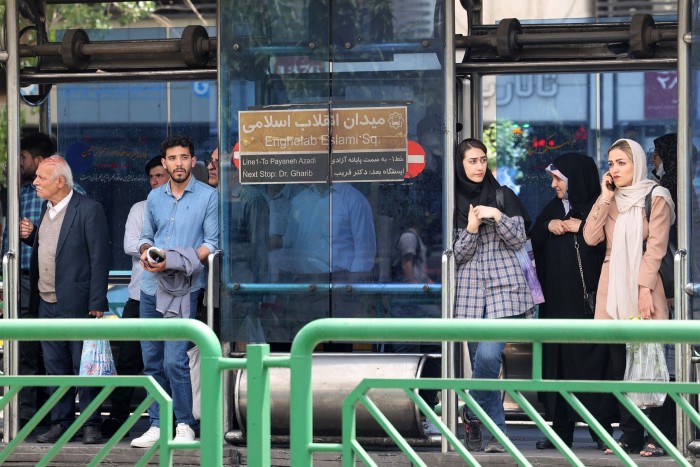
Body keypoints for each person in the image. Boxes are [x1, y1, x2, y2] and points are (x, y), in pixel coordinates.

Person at [583, 138, 675, 456]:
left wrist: (644, 291)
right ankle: (631, 433)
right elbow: (590, 236)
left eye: (621, 162)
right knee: (619, 367)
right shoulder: (612, 199)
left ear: (638, 163)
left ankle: (658, 435)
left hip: (643, 289)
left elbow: (656, 248)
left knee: (649, 362)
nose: (615, 169)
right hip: (613, 293)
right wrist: (605, 197)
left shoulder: (657, 196)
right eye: (610, 164)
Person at [130, 135, 218, 448]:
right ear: (164, 163)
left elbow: (212, 243)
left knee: (174, 361)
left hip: (185, 287)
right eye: (172, 158)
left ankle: (184, 422)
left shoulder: (208, 196)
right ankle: (157, 422)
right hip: (151, 286)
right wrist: (145, 252)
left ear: (192, 161)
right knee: (151, 360)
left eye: (184, 157)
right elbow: (144, 236)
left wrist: (177, 260)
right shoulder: (155, 197)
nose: (178, 163)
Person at [20, 156, 110, 444]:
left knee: (83, 365)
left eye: (41, 178)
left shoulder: (88, 209)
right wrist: (32, 236)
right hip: (46, 302)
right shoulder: (46, 211)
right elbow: (51, 246)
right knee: (54, 365)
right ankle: (61, 422)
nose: (35, 182)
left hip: (79, 303)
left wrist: (97, 302)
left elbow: (99, 258)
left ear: (60, 182)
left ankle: (91, 423)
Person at [453, 138, 534, 453]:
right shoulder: (453, 200)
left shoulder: (503, 195)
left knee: (488, 358)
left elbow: (519, 240)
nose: (478, 166)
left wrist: (497, 216)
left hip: (505, 292)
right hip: (471, 296)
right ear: (460, 165)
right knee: (483, 364)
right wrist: (472, 228)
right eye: (471, 161)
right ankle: (496, 437)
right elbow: (456, 256)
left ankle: (473, 414)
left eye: (482, 160)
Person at [529, 153, 615, 450]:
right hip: (554, 307)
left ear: (574, 180)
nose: (553, 185)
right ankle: (560, 433)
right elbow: (534, 237)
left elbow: (604, 244)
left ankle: (602, 433)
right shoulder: (553, 208)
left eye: (558, 179)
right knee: (558, 366)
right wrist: (549, 225)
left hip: (585, 306)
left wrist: (577, 227)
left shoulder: (597, 209)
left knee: (589, 366)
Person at [101, 156, 170, 438]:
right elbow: (131, 244)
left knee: (170, 360)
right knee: (129, 359)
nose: (155, 181)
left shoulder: (182, 206)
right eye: (151, 176)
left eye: (159, 176)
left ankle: (173, 417)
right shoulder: (140, 207)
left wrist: (155, 247)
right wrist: (166, 249)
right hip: (139, 294)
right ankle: (118, 415)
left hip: (173, 296)